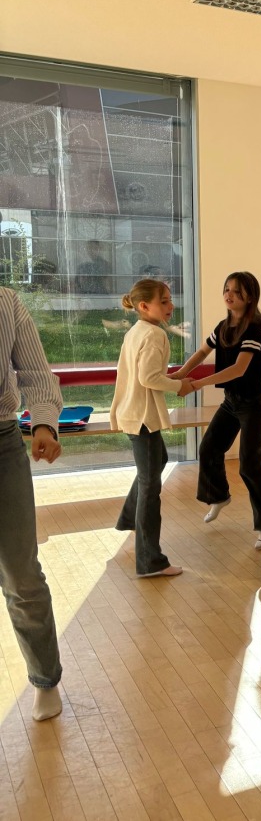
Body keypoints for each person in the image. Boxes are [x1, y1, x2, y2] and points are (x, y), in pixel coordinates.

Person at [172, 272, 261, 550]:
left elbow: (238, 369)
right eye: (227, 289)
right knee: (209, 448)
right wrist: (180, 373)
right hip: (231, 402)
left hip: (253, 404)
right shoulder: (223, 326)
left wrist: (196, 384)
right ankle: (218, 496)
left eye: (236, 291)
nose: (229, 295)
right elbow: (201, 352)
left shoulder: (254, 328)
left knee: (250, 465)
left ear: (250, 297)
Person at [0, 286, 64, 721]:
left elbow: (38, 375)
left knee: (20, 572)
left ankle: (45, 678)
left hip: (2, 443)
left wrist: (44, 424)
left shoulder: (7, 303)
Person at [110, 279, 193, 578]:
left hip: (135, 413)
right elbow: (149, 378)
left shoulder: (136, 331)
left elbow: (145, 374)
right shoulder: (154, 334)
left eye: (170, 300)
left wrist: (174, 379)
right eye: (164, 301)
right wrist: (179, 386)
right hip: (142, 417)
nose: (171, 306)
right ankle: (150, 562)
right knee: (150, 485)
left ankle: (129, 519)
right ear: (144, 306)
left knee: (158, 462)